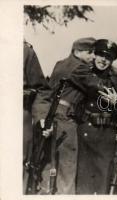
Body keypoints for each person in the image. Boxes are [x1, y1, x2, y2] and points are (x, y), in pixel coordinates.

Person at [69, 39, 117, 194]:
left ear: (112, 60)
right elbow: (88, 84)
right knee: (83, 185)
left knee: (105, 185)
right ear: (94, 55)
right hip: (85, 134)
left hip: (107, 136)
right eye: (100, 55)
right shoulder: (83, 72)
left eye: (108, 57)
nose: (103, 60)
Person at [31, 37, 96, 194]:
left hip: (52, 115)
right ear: (77, 51)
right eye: (90, 53)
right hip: (66, 118)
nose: (93, 57)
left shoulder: (60, 64)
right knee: (67, 166)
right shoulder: (80, 67)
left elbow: (47, 91)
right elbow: (96, 86)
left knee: (50, 163)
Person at [23, 40, 49, 192]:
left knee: (19, 162)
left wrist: (41, 117)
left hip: (18, 114)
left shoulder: (25, 52)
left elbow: (41, 89)